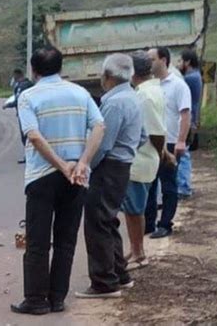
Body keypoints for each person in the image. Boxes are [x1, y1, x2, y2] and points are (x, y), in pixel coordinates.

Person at [11, 47, 105, 315]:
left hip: (42, 176)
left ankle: (36, 300)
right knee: (66, 240)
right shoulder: (80, 93)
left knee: (38, 240)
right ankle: (57, 297)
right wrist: (83, 162)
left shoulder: (28, 96)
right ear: (61, 68)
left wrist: (61, 165)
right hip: (76, 176)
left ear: (34, 70)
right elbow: (99, 126)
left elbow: (35, 137)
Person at [75, 53, 146, 299]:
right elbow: (143, 136)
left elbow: (103, 144)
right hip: (122, 165)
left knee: (97, 222)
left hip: (109, 167)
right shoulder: (133, 97)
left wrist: (85, 166)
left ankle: (104, 282)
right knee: (109, 219)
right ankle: (119, 273)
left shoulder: (115, 103)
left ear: (107, 77)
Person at [121, 51, 166, 270]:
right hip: (145, 158)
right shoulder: (150, 90)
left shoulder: (144, 96)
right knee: (133, 208)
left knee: (134, 209)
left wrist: (163, 153)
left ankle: (139, 253)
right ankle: (135, 248)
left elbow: (155, 132)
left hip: (142, 159)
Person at [145, 47, 191, 239]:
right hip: (152, 142)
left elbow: (185, 114)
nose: (149, 63)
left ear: (163, 60)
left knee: (169, 185)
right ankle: (149, 224)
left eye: (152, 59)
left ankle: (165, 224)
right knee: (149, 184)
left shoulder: (178, 85)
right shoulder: (150, 85)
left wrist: (181, 141)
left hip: (171, 142)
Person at [177, 48, 202, 199]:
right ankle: (184, 185)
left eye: (180, 61)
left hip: (188, 118)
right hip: (192, 118)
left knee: (183, 154)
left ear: (187, 62)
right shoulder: (195, 75)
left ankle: (184, 187)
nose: (179, 64)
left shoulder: (190, 78)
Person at [3, 69, 34, 163]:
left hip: (24, 113)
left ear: (17, 76)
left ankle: (28, 156)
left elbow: (18, 100)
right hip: (32, 112)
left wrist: (7, 105)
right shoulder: (30, 84)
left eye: (14, 76)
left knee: (25, 136)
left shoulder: (21, 86)